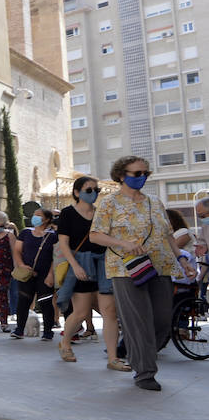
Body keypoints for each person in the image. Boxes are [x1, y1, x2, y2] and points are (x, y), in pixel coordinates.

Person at [90, 156, 179, 391]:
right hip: (126, 267)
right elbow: (95, 235)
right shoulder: (109, 203)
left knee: (162, 320)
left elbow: (168, 233)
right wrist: (124, 243)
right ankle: (145, 372)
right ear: (121, 175)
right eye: (136, 173)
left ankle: (135, 349)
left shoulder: (155, 202)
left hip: (160, 266)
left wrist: (182, 258)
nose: (141, 178)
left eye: (145, 174)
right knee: (138, 321)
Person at [54, 175, 122, 367]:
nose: (94, 194)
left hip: (103, 265)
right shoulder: (67, 213)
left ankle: (113, 357)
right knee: (82, 312)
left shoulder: (101, 213)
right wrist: (75, 266)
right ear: (77, 192)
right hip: (81, 263)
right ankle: (65, 343)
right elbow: (63, 244)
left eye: (96, 190)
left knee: (110, 312)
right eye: (89, 190)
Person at [11, 209, 57, 341]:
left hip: (45, 274)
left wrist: (51, 274)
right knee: (23, 301)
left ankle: (48, 331)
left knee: (45, 302)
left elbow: (56, 257)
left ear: (47, 219)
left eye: (38, 215)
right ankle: (19, 329)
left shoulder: (53, 236)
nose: (35, 217)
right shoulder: (25, 233)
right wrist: (21, 265)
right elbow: (17, 251)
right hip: (27, 274)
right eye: (34, 215)